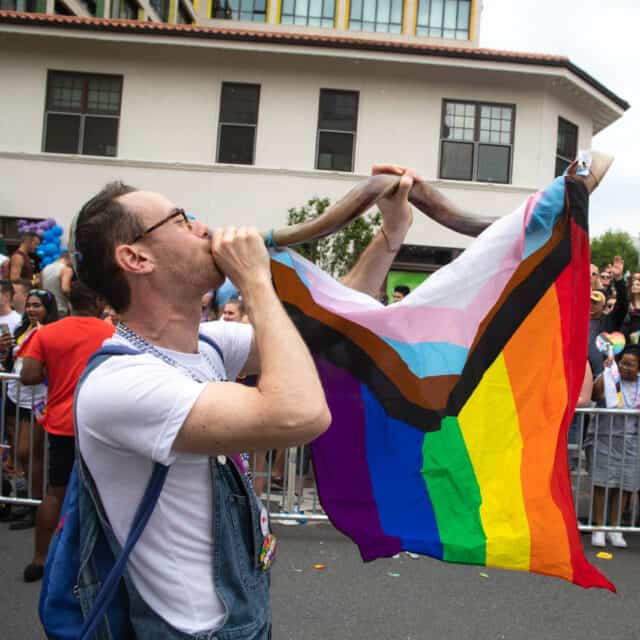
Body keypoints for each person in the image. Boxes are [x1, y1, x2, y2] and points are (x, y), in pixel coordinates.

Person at [71, 164, 414, 638]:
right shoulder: (121, 383)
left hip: (238, 613)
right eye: (180, 221)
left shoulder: (209, 343)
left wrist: (390, 234)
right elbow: (301, 415)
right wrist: (254, 280)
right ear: (135, 258)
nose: (204, 228)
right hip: (190, 631)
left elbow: (332, 326)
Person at [18, 282, 114, 582]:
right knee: (104, 494)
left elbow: (28, 375)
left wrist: (54, 370)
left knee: (55, 493)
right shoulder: (111, 334)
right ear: (99, 301)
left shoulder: (46, 332)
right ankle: (99, 565)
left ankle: (40, 559)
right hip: (100, 423)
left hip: (61, 423)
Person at [3, 289, 58, 530]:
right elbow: (12, 360)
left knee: (29, 452)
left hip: (36, 400)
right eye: (29, 305)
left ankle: (36, 504)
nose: (32, 309)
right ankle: (26, 501)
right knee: (17, 451)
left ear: (48, 308)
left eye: (37, 305)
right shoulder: (21, 329)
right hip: (14, 396)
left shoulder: (52, 333)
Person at [588, 345, 640, 548]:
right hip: (605, 438)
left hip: (631, 442)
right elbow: (595, 395)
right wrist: (606, 372)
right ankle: (599, 528)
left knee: (624, 486)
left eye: (631, 365)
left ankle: (615, 528)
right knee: (602, 484)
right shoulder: (611, 375)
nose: (625, 367)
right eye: (623, 363)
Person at [40, 252, 74, 317]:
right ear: (70, 259)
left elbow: (41, 289)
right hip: (61, 308)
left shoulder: (44, 269)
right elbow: (65, 289)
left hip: (47, 308)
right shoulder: (66, 269)